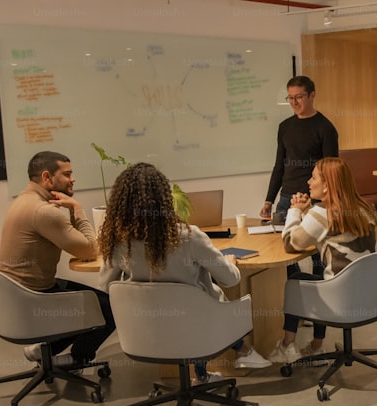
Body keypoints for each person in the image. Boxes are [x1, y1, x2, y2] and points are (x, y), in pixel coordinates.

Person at [98, 163, 271, 382]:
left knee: (193, 298)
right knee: (203, 295)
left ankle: (208, 371)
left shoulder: (118, 242)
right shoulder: (188, 237)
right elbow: (230, 279)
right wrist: (229, 261)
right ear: (163, 199)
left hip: (146, 329)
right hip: (197, 326)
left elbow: (105, 286)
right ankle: (237, 354)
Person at [0, 151, 115, 367]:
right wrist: (77, 209)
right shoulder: (43, 211)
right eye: (67, 174)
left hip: (13, 294)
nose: (73, 179)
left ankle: (45, 351)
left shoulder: (23, 200)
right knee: (108, 307)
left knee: (91, 301)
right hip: (32, 298)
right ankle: (77, 359)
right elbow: (89, 250)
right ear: (46, 177)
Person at [267, 157, 377, 364]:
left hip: (340, 297)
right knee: (319, 276)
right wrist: (308, 211)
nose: (309, 182)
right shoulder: (364, 208)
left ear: (327, 186)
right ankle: (316, 346)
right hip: (370, 295)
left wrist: (295, 211)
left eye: (314, 177)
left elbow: (291, 243)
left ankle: (287, 345)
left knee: (297, 280)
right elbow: (326, 225)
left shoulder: (322, 213)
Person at [260, 76, 339, 279]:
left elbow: (331, 170)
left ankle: (322, 289)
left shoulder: (325, 128)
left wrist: (327, 201)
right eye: (290, 98)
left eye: (299, 97)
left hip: (314, 199)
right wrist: (269, 199)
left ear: (312, 95)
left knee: (317, 254)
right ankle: (294, 288)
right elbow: (279, 165)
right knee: (283, 247)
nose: (294, 103)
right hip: (286, 197)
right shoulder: (285, 127)